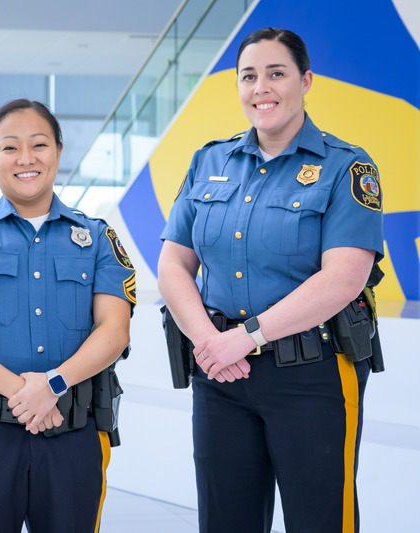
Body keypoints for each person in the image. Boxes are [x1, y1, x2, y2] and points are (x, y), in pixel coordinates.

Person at [158, 27, 383, 533]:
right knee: (225, 522)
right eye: (249, 76)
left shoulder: (346, 167)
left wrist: (246, 337)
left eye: (276, 73)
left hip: (313, 376)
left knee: (320, 520)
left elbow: (344, 280)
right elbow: (174, 265)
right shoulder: (209, 161)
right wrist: (211, 342)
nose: (261, 87)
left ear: (305, 81)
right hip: (220, 377)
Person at [0, 99, 136, 532]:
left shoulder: (97, 238)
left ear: (59, 150)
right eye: (10, 148)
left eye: (39, 144)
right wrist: (27, 394)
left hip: (73, 434)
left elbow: (115, 330)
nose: (26, 159)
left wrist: (53, 384)